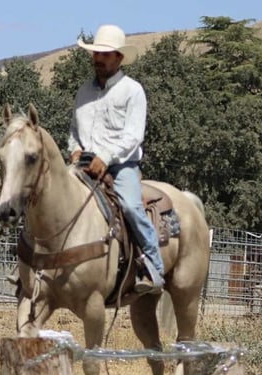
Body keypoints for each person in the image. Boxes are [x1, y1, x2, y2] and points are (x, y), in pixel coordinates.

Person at [68, 24, 165, 295]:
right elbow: (74, 129)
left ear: (119, 57)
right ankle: (34, 263)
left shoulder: (133, 91)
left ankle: (153, 266)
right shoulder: (83, 92)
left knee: (131, 207)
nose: (98, 58)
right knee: (50, 193)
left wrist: (106, 156)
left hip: (122, 165)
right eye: (96, 53)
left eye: (105, 54)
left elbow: (133, 136)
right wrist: (74, 149)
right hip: (84, 163)